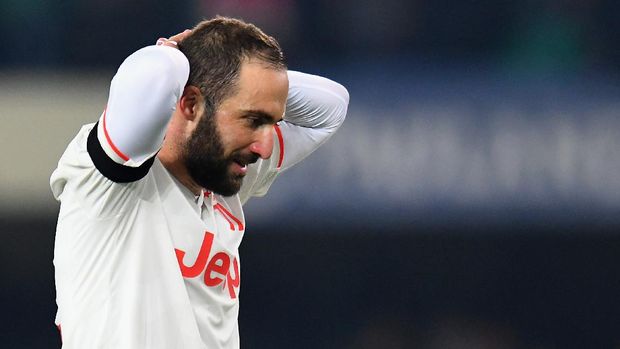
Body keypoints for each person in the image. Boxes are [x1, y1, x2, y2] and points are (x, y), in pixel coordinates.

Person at [50, 17, 348, 348]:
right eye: (253, 120)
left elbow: (332, 107)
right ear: (190, 103)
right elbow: (154, 74)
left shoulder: (218, 175)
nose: (265, 147)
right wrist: (180, 56)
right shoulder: (112, 178)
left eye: (272, 123)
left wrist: (246, 80)